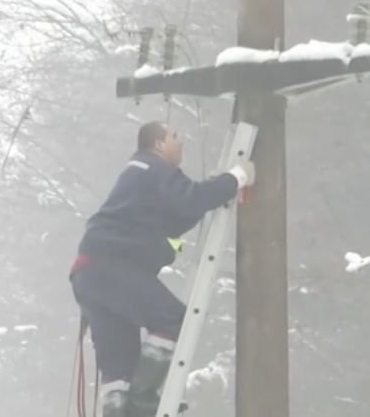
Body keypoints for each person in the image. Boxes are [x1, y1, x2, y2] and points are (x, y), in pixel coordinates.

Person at [69, 121, 255, 417]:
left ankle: (122, 410)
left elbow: (178, 215)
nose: (180, 143)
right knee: (173, 319)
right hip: (112, 266)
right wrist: (236, 178)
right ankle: (144, 397)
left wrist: (212, 195)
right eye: (174, 137)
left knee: (119, 363)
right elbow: (193, 199)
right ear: (158, 144)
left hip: (88, 274)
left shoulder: (137, 176)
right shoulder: (154, 170)